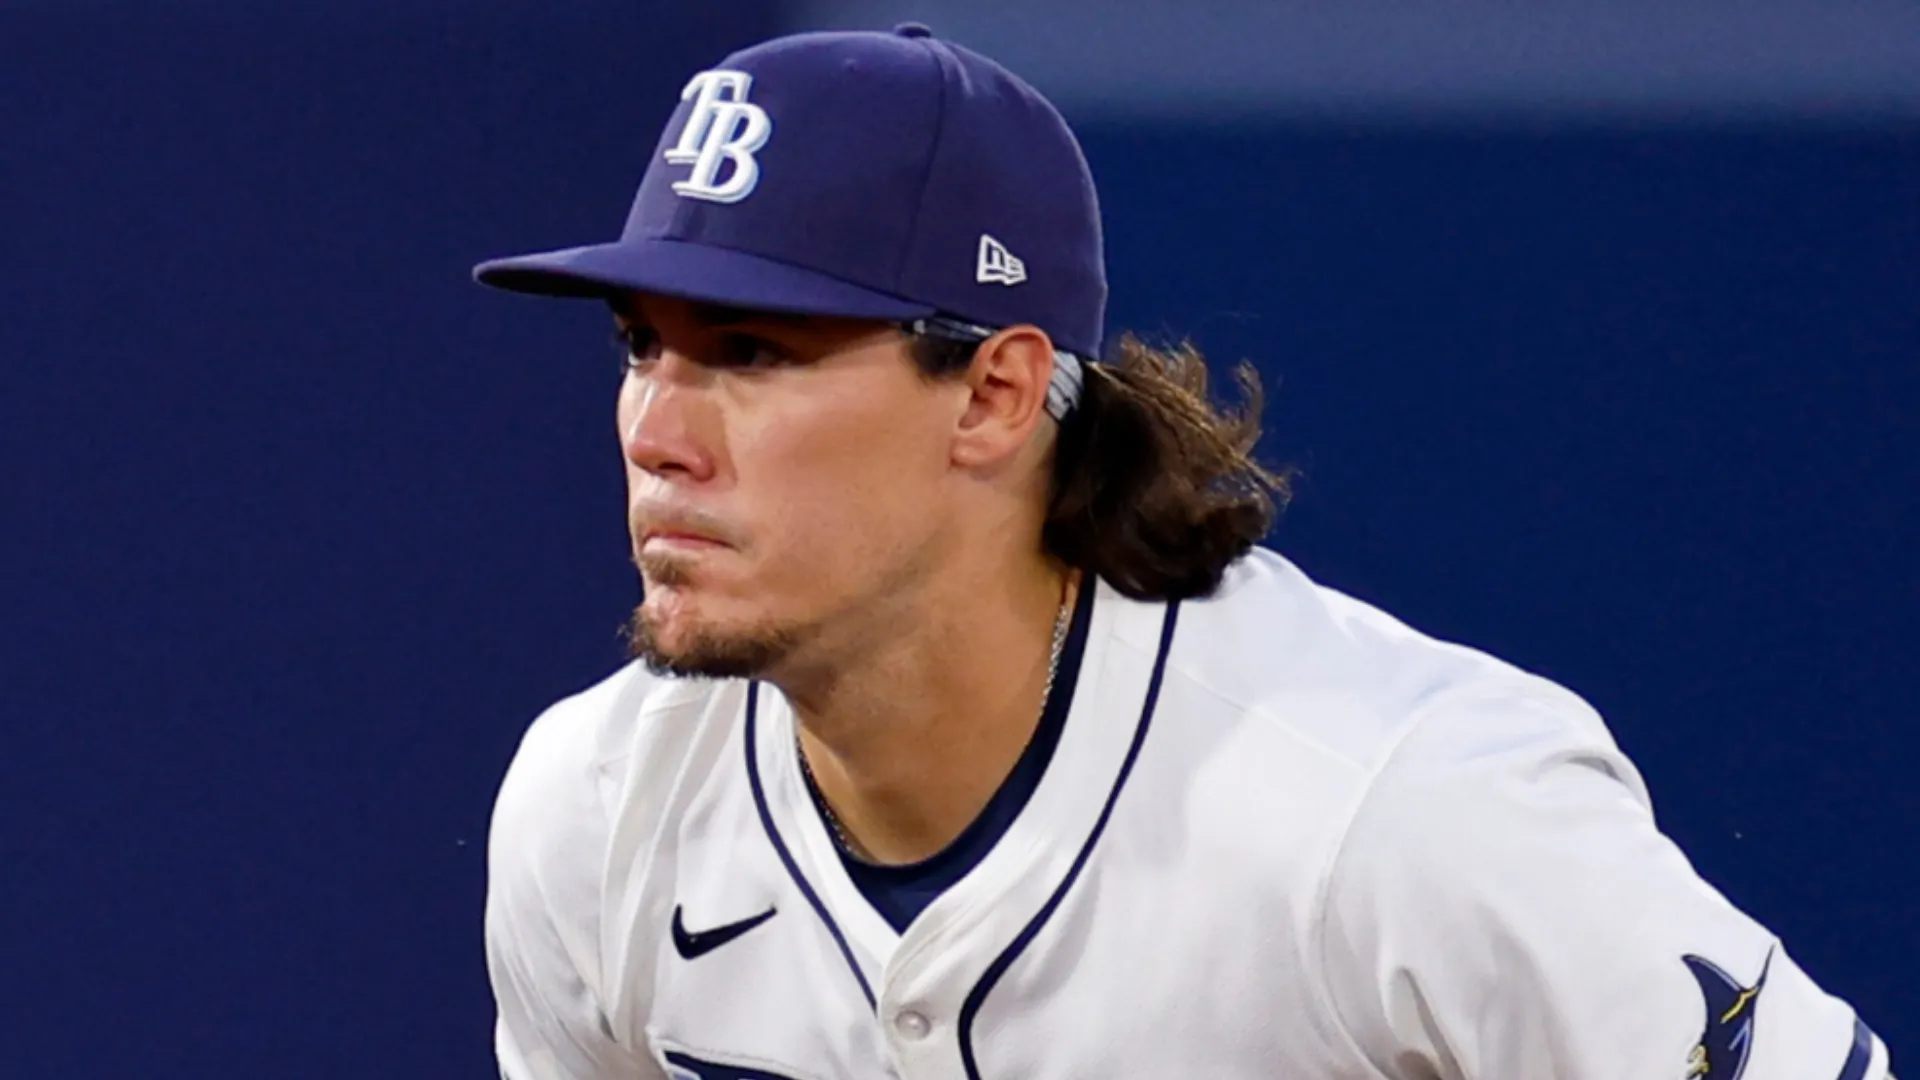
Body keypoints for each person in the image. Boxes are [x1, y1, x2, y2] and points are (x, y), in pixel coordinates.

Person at [472, 23, 1892, 1080]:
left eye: (752, 352)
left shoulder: (1398, 813)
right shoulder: (597, 817)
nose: (659, 429)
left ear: (996, 394)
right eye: (639, 345)